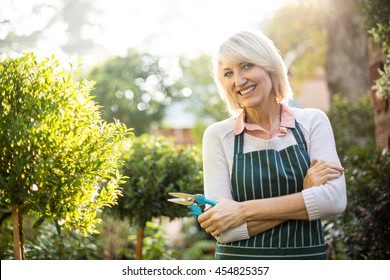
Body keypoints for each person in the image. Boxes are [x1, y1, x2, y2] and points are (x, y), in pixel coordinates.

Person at [198, 30, 347, 260]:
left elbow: (334, 200)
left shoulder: (312, 122)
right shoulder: (218, 136)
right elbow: (225, 230)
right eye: (228, 73)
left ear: (269, 66)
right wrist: (305, 194)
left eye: (246, 66)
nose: (239, 81)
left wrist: (241, 211)